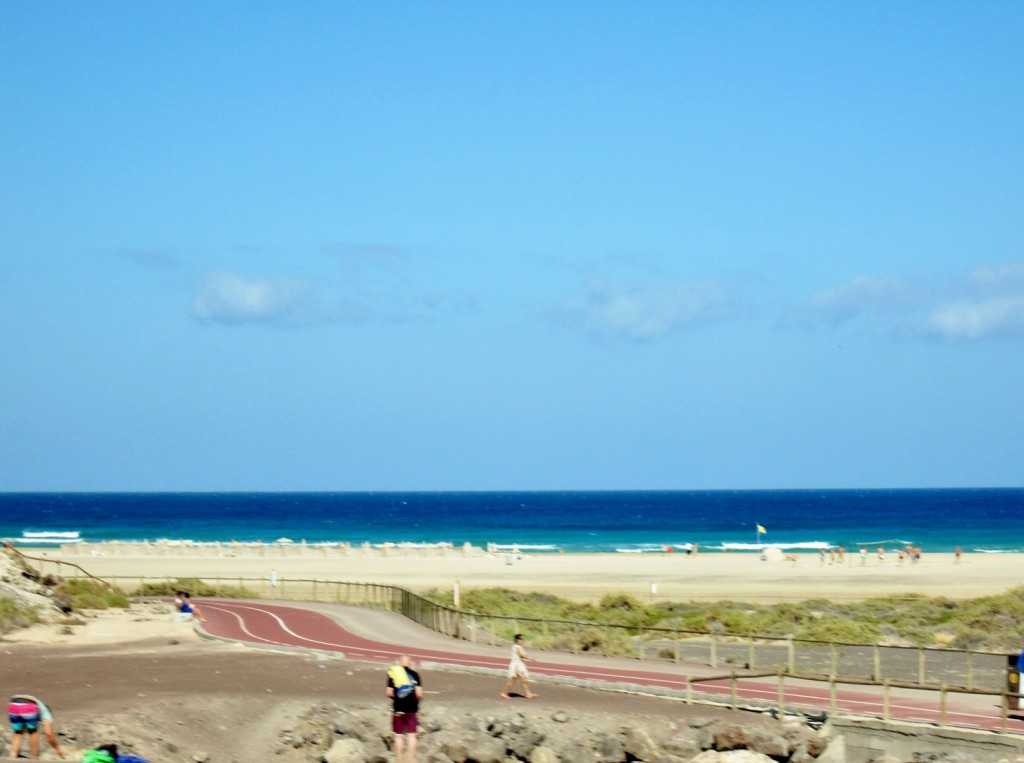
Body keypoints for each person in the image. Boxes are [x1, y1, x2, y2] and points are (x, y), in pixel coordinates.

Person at [386, 655, 423, 763]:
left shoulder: (394, 674)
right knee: (412, 735)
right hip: (412, 709)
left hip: (398, 709)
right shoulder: (415, 675)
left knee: (398, 736)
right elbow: (419, 694)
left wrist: (397, 698)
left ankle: (399, 760)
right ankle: (411, 760)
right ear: (410, 663)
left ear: (400, 663)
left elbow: (388, 693)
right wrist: (416, 702)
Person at [7, 693, 66, 759]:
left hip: (13, 704)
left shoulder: (40, 707)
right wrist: (58, 749)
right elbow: (48, 733)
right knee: (33, 732)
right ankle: (34, 757)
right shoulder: (47, 713)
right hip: (29, 704)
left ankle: (12, 757)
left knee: (18, 733)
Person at [500, 634, 538, 699]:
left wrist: (526, 658)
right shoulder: (516, 647)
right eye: (520, 639)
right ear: (516, 640)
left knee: (523, 680)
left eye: (523, 639)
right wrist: (530, 658)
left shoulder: (519, 647)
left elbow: (521, 656)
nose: (522, 640)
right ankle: (504, 693)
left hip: (519, 665)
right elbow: (520, 655)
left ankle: (528, 694)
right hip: (516, 666)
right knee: (512, 681)